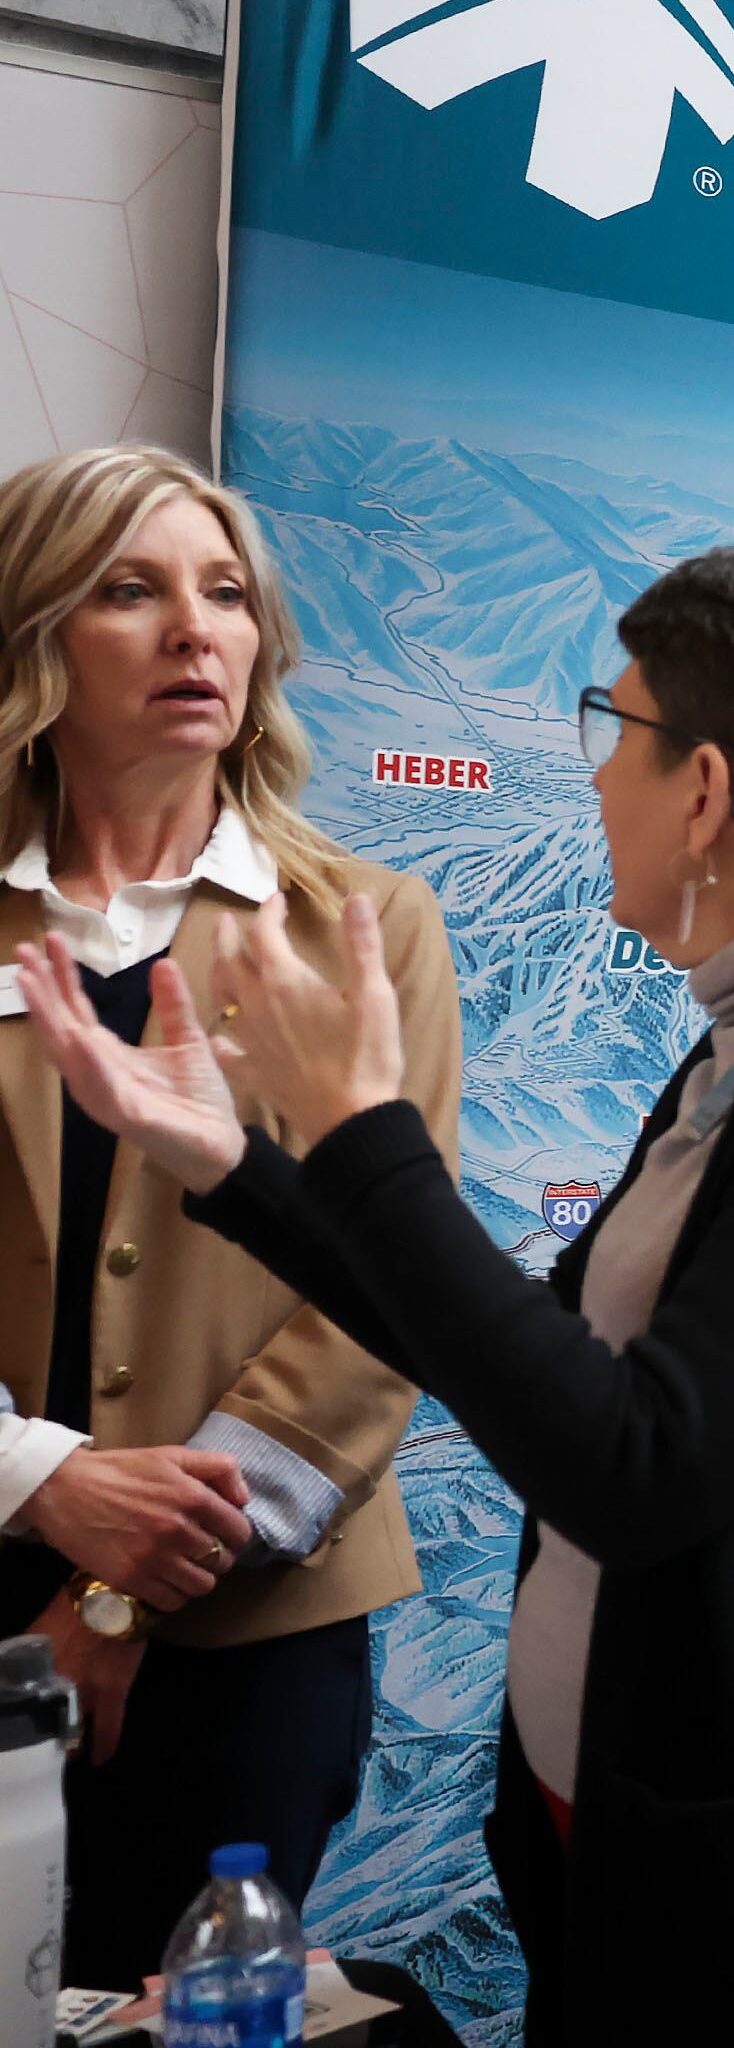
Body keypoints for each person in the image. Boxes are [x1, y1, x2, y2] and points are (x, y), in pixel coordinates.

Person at [20, 543, 734, 2046]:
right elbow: (544, 1358)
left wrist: (364, 1141)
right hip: (678, 1854)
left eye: (617, 727)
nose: (594, 776)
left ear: (709, 793)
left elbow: (638, 1464)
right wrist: (240, 1167)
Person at [0, 444, 460, 1987]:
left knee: (186, 2016)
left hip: (253, 1633)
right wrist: (44, 1480)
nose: (198, 631)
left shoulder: (365, 927)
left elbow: (386, 1300)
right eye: (131, 590)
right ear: (36, 637)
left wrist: (128, 1583)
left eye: (227, 592)